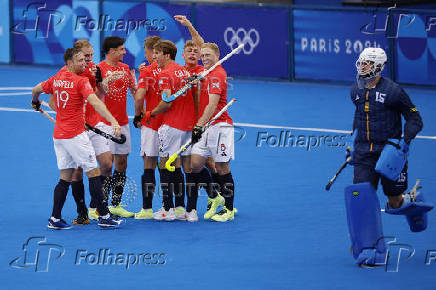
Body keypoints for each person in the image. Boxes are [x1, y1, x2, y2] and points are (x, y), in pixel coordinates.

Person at [345, 47, 432, 267]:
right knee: (362, 195)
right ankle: (370, 247)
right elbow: (358, 119)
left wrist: (404, 141)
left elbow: (415, 119)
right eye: (361, 63)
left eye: (367, 64)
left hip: (389, 154)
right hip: (364, 153)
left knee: (394, 201)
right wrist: (352, 144)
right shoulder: (355, 90)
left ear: (378, 67)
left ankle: (411, 202)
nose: (362, 67)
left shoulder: (394, 91)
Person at [31, 48, 123, 229]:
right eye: (80, 60)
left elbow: (35, 90)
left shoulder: (55, 79)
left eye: (84, 59)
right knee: (93, 173)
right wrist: (113, 121)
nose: (84, 63)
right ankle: (104, 215)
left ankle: (55, 218)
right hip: (76, 136)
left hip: (59, 136)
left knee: (65, 178)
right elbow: (96, 102)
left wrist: (35, 101)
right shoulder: (80, 81)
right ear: (69, 63)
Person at [55, 40, 113, 225]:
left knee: (106, 164)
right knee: (77, 173)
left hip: (94, 125)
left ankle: (99, 206)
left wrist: (102, 81)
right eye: (85, 57)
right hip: (77, 130)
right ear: (75, 58)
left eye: (90, 56)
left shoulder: (93, 70)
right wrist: (71, 114)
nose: (88, 60)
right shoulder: (64, 75)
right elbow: (53, 102)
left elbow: (101, 94)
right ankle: (83, 213)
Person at [143, 40, 196, 221]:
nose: (154, 57)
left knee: (165, 164)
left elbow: (166, 102)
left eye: (157, 53)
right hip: (187, 126)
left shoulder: (165, 74)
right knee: (178, 165)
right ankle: (181, 208)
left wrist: (150, 113)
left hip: (171, 125)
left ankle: (167, 209)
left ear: (167, 55)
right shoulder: (183, 70)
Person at [189, 43, 236, 222]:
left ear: (217, 55)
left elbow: (212, 105)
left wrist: (198, 126)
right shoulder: (207, 72)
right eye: (203, 55)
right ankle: (216, 196)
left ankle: (229, 209)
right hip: (206, 127)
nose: (204, 58)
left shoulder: (217, 74)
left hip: (219, 127)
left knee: (222, 168)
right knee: (194, 165)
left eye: (208, 55)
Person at [97, 36, 137, 218]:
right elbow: (96, 96)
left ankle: (116, 204)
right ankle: (100, 206)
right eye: (121, 49)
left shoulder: (125, 68)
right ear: (112, 51)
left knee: (122, 163)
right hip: (104, 124)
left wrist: (138, 82)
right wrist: (105, 82)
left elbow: (134, 91)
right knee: (106, 165)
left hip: (123, 124)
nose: (124, 52)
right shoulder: (98, 69)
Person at [133, 35, 162, 219]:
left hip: (151, 123)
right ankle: (175, 208)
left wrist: (138, 116)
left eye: (145, 51)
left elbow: (139, 97)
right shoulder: (175, 69)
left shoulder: (147, 71)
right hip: (171, 124)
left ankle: (147, 209)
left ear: (152, 52)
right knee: (171, 166)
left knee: (149, 165)